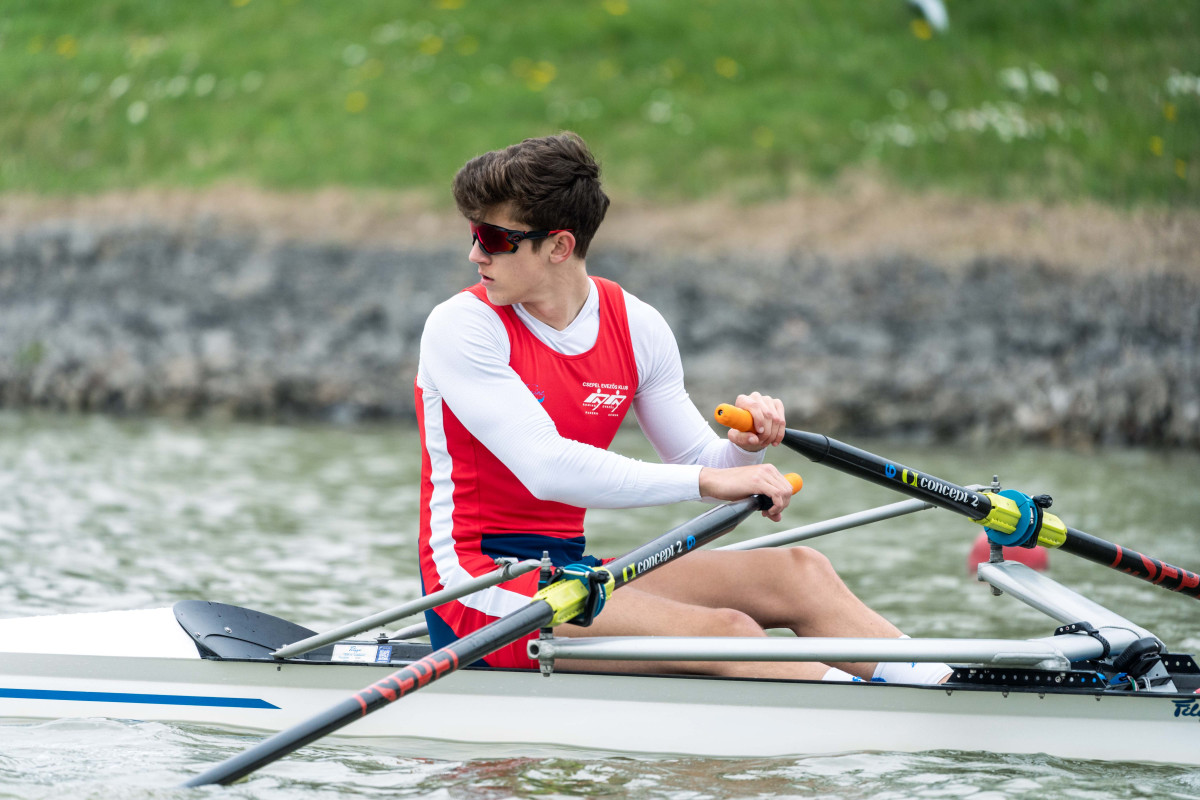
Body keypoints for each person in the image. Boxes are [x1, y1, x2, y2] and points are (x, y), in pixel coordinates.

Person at [415, 132, 949, 684]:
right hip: (477, 586)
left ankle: (943, 684)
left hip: (570, 571)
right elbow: (547, 469)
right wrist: (708, 480)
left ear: (558, 246)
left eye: (492, 237)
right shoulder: (463, 326)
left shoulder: (636, 326)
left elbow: (706, 467)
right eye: (473, 233)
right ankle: (872, 712)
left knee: (799, 573)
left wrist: (744, 452)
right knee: (728, 633)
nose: (474, 253)